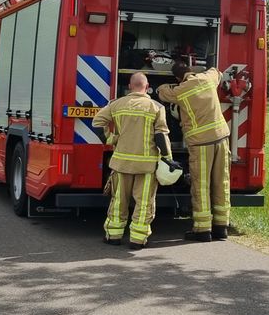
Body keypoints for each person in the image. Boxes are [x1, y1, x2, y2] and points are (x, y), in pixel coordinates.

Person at [92, 72, 171, 250]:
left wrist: (111, 139)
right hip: (146, 165)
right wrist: (167, 158)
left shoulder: (116, 104)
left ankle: (113, 235)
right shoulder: (156, 107)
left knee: (119, 199)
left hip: (121, 163)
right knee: (143, 203)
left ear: (129, 86)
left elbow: (97, 122)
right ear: (147, 86)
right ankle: (137, 239)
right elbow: (161, 136)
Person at [157, 61, 230, 242]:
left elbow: (161, 92)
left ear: (177, 78)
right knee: (222, 181)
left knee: (201, 185)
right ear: (191, 71)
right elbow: (217, 71)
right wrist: (202, 71)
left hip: (200, 142)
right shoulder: (207, 78)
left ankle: (203, 230)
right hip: (221, 138)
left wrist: (169, 84)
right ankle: (222, 227)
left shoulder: (180, 90)